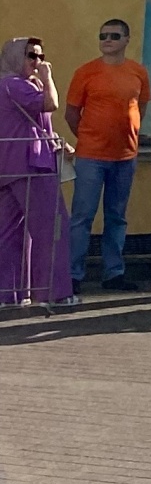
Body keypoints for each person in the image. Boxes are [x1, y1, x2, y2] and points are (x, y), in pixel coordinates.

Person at [64, 16, 150, 293]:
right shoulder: (85, 72)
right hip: (91, 156)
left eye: (113, 36)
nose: (107, 41)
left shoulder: (138, 72)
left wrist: (129, 135)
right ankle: (72, 274)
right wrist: (89, 137)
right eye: (103, 36)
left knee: (117, 217)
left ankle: (114, 273)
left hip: (125, 156)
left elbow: (141, 108)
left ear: (126, 40)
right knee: (82, 216)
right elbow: (71, 114)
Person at [0, 36, 73, 308]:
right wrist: (49, 77)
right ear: (16, 57)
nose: (38, 62)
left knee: (9, 233)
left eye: (41, 56)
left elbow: (31, 123)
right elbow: (50, 104)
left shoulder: (10, 85)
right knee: (52, 227)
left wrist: (57, 141)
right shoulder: (15, 85)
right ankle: (55, 293)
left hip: (9, 167)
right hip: (31, 165)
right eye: (31, 55)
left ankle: (10, 294)